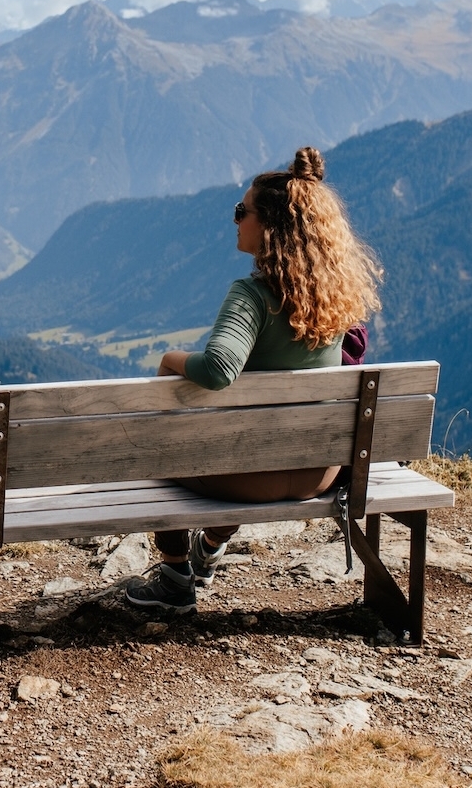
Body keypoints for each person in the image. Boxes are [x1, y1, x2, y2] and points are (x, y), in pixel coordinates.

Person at [123, 146, 383, 613]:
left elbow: (220, 367)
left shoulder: (251, 295)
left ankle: (174, 577)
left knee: (155, 444)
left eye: (243, 210)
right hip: (316, 473)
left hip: (250, 477)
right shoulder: (333, 301)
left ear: (270, 226)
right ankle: (211, 547)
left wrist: (171, 358)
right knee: (252, 438)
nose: (236, 219)